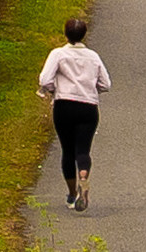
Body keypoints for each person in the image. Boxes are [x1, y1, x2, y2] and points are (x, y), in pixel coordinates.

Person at [39, 15, 112, 209]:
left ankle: (72, 194)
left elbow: (45, 79)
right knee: (83, 149)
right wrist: (90, 90)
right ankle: (84, 177)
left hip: (64, 106)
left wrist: (55, 90)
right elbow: (106, 83)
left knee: (68, 150)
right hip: (88, 107)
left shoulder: (58, 54)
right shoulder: (93, 56)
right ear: (84, 34)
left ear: (66, 34)